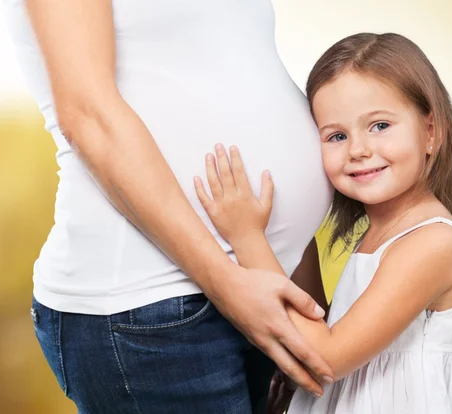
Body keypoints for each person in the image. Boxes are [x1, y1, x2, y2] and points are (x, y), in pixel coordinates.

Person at [5, 0, 335, 412]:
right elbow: (88, 115)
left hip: (261, 284)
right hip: (154, 305)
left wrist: (300, 288)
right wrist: (227, 285)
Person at [195, 32, 452, 414]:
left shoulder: (432, 243)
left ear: (430, 132)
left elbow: (327, 358)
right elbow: (325, 325)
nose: (358, 150)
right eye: (337, 135)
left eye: (380, 126)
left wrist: (247, 237)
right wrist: (297, 231)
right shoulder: (383, 232)